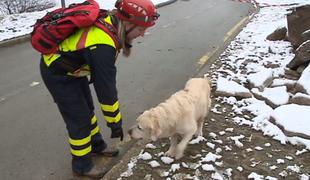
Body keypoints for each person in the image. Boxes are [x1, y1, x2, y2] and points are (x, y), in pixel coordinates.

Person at [39, 0, 159, 178]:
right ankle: (81, 165)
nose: (142, 34)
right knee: (78, 119)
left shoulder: (112, 23)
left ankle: (96, 146)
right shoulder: (103, 45)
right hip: (57, 73)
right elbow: (106, 91)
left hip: (73, 69)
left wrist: (112, 121)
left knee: (88, 109)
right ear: (128, 23)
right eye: (141, 29)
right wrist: (115, 122)